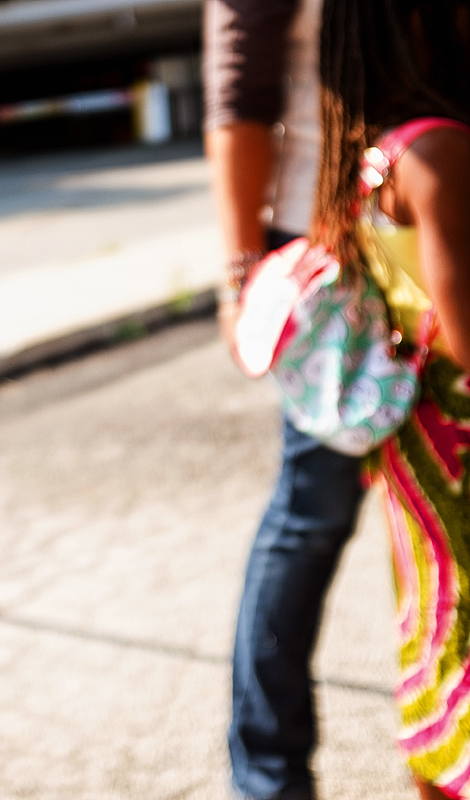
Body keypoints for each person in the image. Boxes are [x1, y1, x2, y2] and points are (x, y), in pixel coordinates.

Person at [204, 1, 365, 797]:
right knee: (314, 510)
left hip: (424, 214)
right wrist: (242, 283)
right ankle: (267, 773)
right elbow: (240, 97)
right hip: (322, 248)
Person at [313, 0, 470, 797]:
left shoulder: (370, 152)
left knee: (440, 625)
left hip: (416, 437)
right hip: (462, 439)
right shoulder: (438, 148)